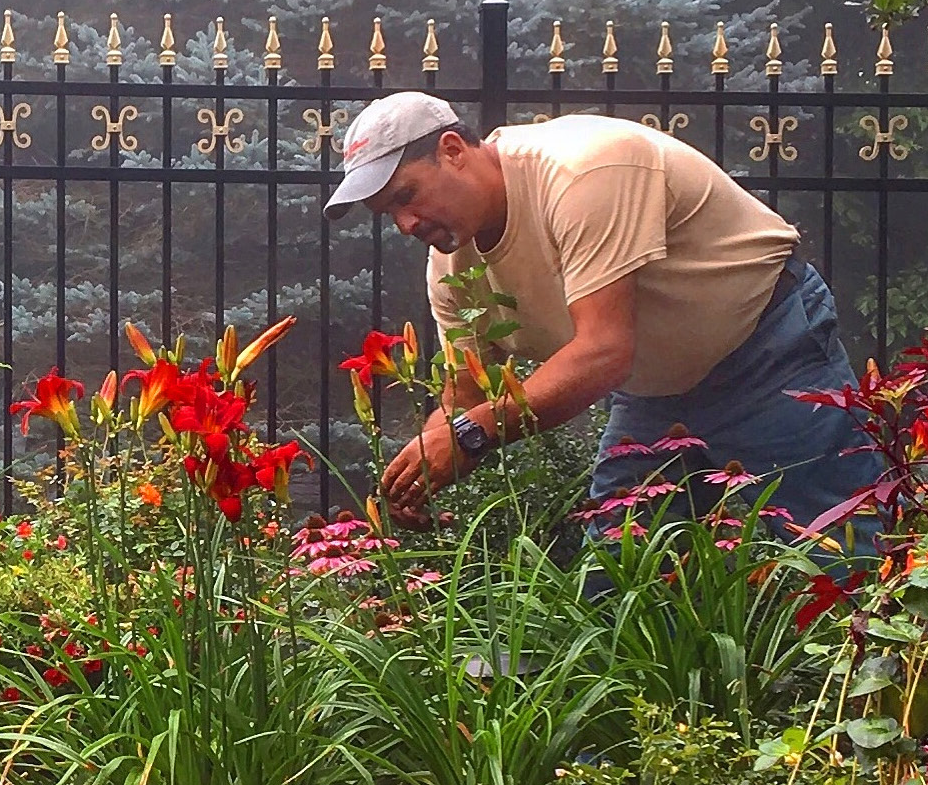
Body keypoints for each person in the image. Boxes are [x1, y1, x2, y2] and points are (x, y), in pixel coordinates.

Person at [323, 90, 880, 542]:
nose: (404, 223)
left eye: (407, 195)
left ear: (452, 149)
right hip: (652, 395)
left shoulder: (582, 170)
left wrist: (469, 437)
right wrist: (420, 473)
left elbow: (604, 351)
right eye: (389, 211)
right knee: (620, 578)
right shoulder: (451, 266)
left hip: (771, 356)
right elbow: (467, 395)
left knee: (837, 553)